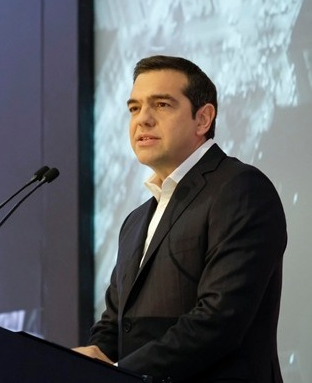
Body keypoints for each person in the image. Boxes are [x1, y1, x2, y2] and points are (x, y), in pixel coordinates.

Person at [74, 55, 287, 382]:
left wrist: (120, 374)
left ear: (203, 119)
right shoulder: (135, 221)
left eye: (161, 105)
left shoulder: (240, 189)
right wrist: (84, 364)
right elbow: (116, 323)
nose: (142, 120)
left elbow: (219, 319)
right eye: (134, 108)